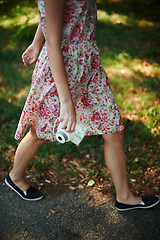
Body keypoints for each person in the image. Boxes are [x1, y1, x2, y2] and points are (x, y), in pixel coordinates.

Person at [5, 0, 159, 211]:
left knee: (113, 129)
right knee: (40, 132)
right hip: (60, 68)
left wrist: (35, 42)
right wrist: (67, 102)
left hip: (87, 64)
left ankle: (124, 196)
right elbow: (53, 40)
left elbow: (53, 18)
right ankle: (15, 176)